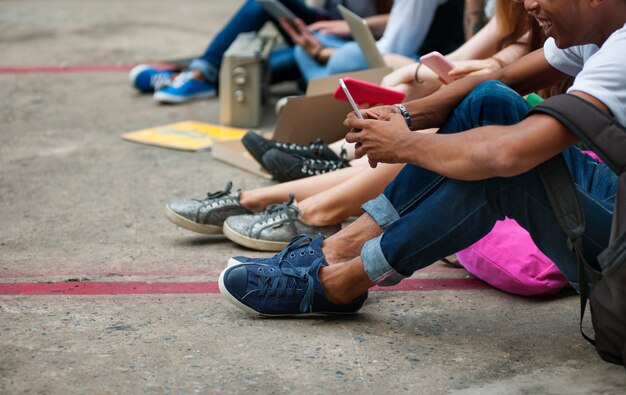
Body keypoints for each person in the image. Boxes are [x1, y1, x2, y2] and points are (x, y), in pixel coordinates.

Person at [217, 0, 625, 316]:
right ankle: (341, 247)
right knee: (488, 101)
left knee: (501, 174)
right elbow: (497, 81)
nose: (528, 4)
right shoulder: (599, 28)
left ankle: (341, 283)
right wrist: (406, 117)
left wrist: (402, 145)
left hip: (618, 270)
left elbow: (507, 154)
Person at [166, 0, 542, 251]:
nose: (532, 4)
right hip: (512, 124)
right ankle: (284, 191)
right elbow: (484, 66)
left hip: (531, 142)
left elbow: (499, 73)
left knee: (419, 120)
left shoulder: (561, 31)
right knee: (399, 98)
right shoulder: (522, 17)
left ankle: (315, 195)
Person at [129, 0, 387, 103]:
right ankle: (198, 75)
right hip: (326, 32)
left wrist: (350, 27)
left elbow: (396, 29)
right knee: (263, 5)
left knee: (250, 73)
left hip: (356, 46)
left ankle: (194, 76)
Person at [282, 0, 466, 82]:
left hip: (417, 62)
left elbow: (392, 50)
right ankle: (327, 85)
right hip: (397, 53)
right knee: (314, 42)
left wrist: (321, 53)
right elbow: (397, 20)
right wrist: (354, 26)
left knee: (342, 57)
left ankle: (325, 87)